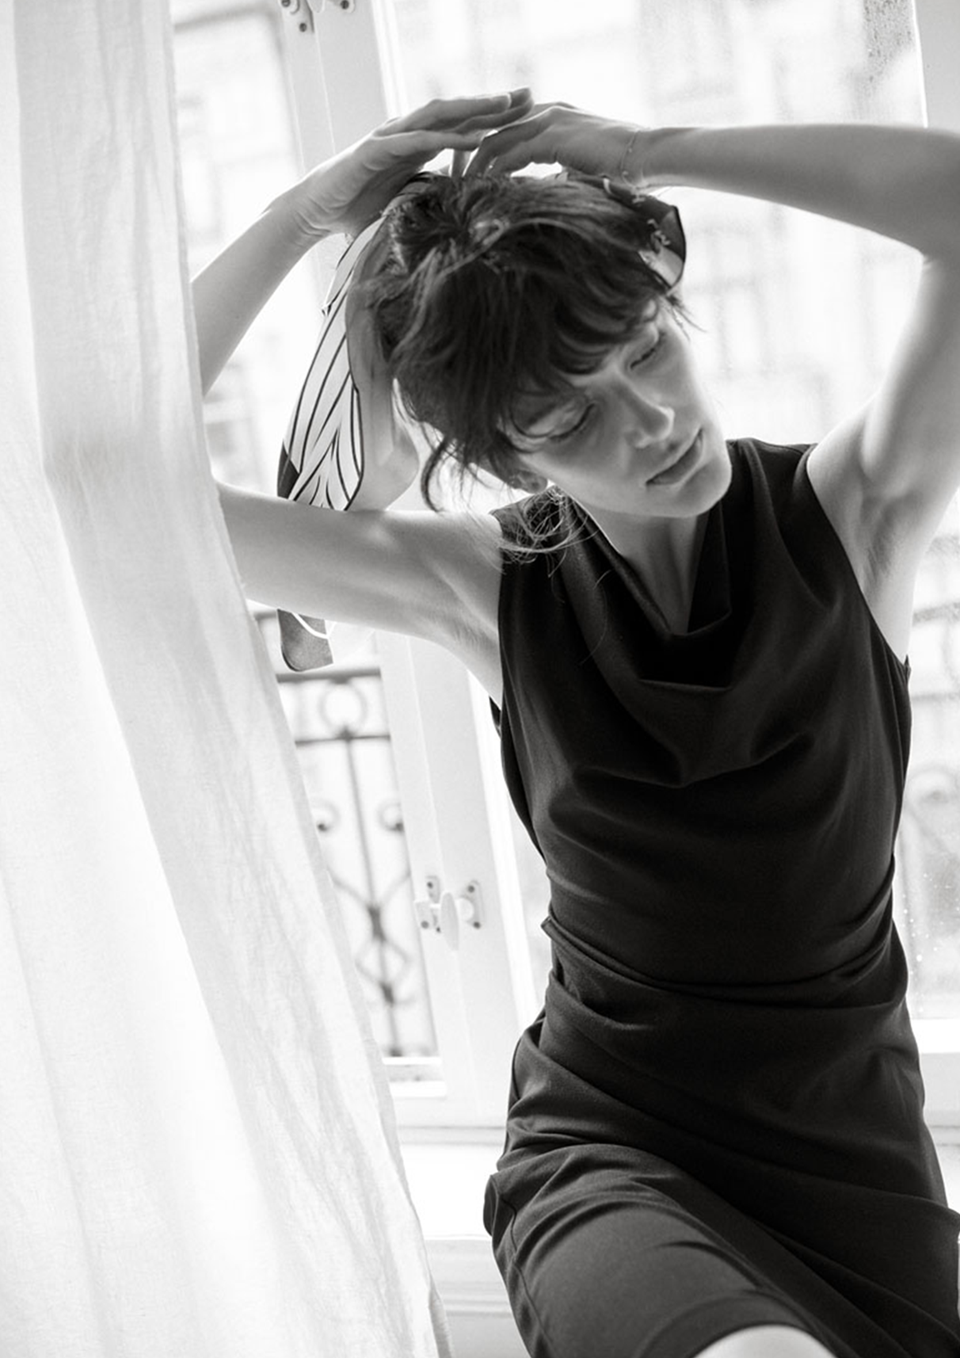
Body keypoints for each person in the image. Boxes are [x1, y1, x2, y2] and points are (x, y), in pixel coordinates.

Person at [194, 90, 960, 1358]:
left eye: (647, 348)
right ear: (511, 457)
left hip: (858, 1174)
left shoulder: (854, 518)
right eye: (570, 415)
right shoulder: (486, 589)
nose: (652, 420)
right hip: (609, 1157)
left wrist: (649, 153)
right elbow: (85, 476)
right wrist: (301, 217)